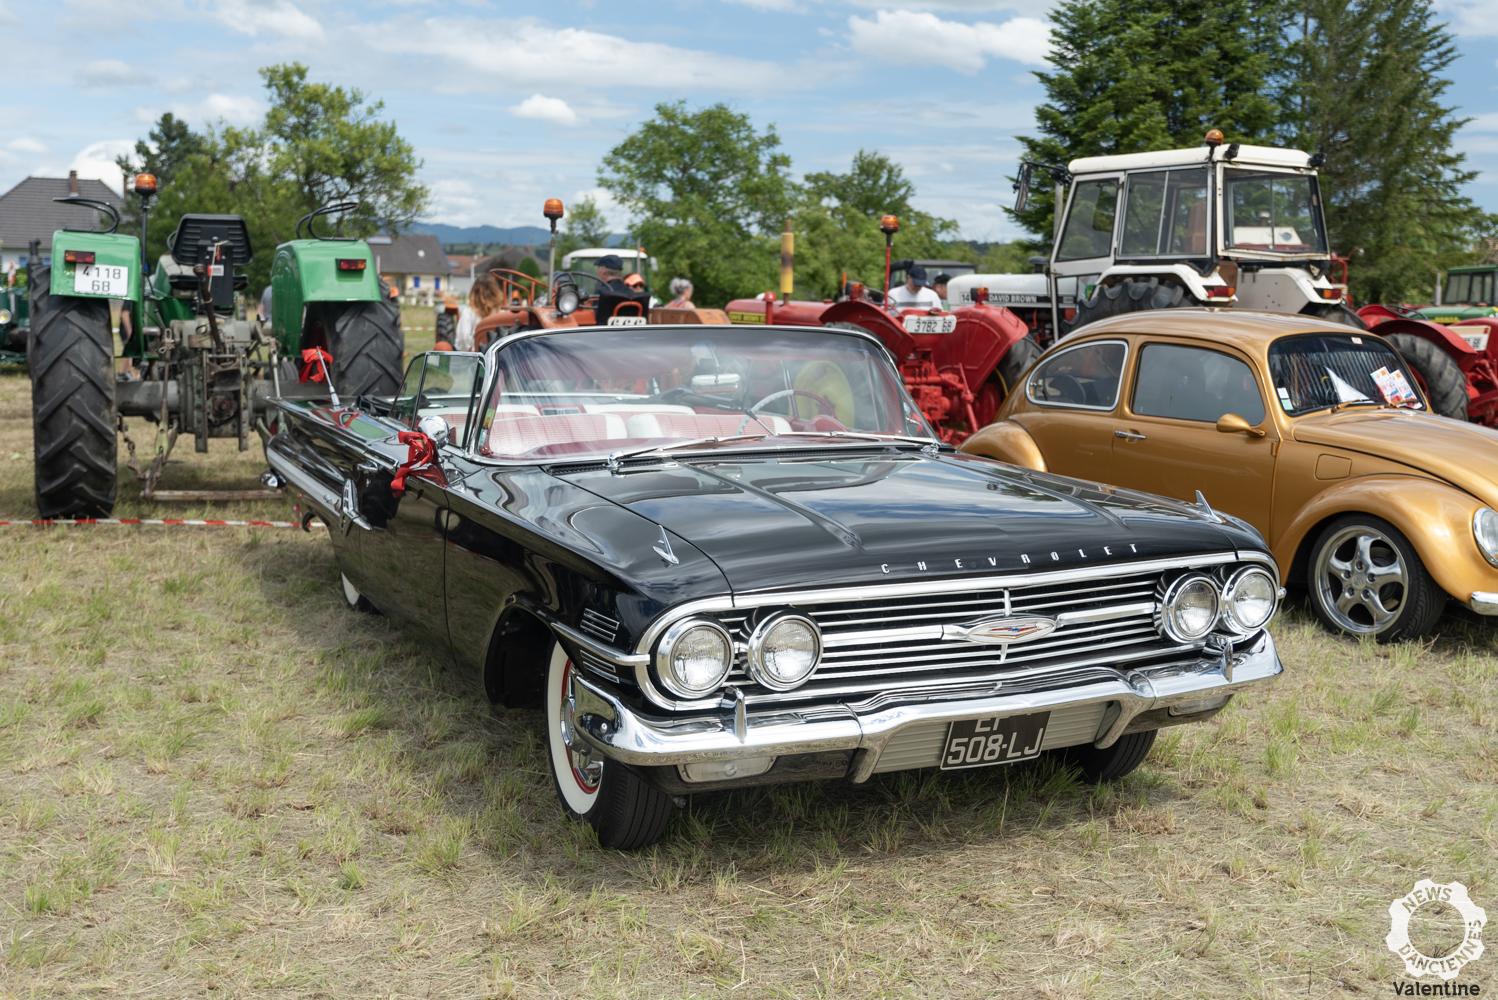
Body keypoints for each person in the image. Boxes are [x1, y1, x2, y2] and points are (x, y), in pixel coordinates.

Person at [455, 272, 505, 351]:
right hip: (498, 354)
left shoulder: (469, 311)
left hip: (476, 354)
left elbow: (464, 337)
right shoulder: (502, 311)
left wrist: (469, 349)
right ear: (495, 291)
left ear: (474, 291)